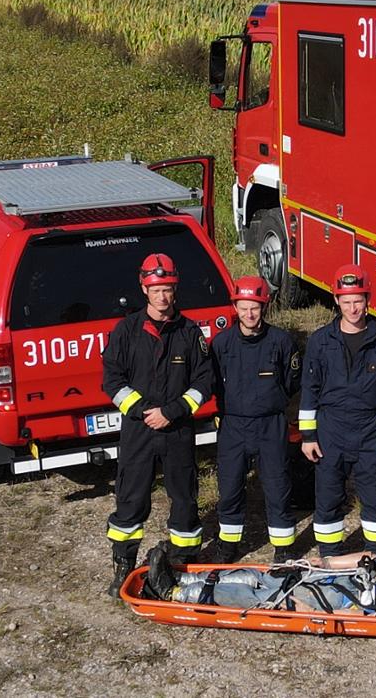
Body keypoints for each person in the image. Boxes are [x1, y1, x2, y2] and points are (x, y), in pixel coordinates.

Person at [100, 253, 217, 597]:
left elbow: (204, 381)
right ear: (144, 288)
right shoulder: (126, 330)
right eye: (156, 290)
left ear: (175, 289)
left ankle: (183, 566)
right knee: (131, 499)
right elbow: (112, 380)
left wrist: (174, 410)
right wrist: (140, 411)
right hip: (138, 431)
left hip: (177, 429)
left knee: (184, 498)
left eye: (167, 289)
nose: (162, 297)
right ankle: (123, 568)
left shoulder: (190, 332)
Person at [299, 264, 376, 557]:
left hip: (371, 427)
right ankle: (330, 555)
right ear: (336, 300)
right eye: (346, 301)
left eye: (358, 300)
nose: (353, 308)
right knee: (329, 496)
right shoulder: (321, 340)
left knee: (375, 496)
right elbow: (309, 389)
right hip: (330, 428)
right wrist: (308, 436)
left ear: (367, 299)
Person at [138, 543, 376, 621]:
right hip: (340, 577)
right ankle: (182, 579)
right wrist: (325, 561)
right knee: (262, 576)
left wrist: (309, 614)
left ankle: (170, 592)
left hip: (342, 599)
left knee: (257, 593)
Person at [208, 275, 302, 563]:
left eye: (255, 308)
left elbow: (292, 381)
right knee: (230, 487)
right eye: (244, 308)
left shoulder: (281, 341)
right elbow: (212, 382)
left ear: (265, 306)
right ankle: (228, 545)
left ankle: (284, 547)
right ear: (235, 307)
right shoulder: (221, 343)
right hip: (233, 425)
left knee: (277, 486)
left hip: (270, 424)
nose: (249, 314)